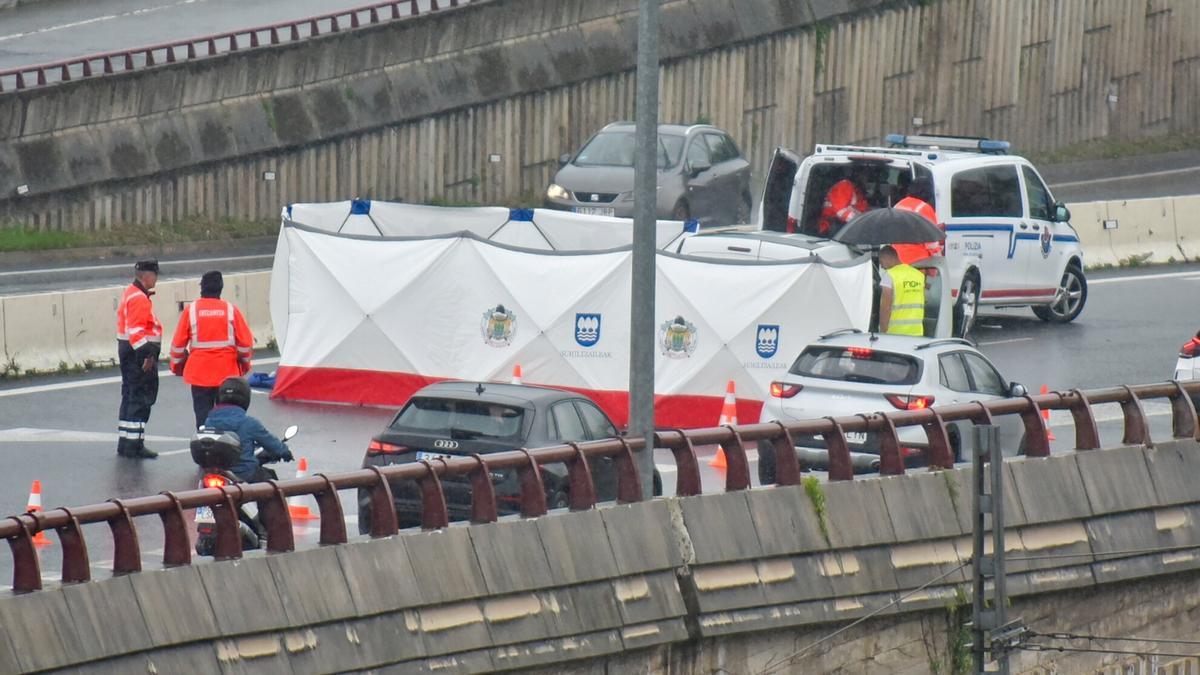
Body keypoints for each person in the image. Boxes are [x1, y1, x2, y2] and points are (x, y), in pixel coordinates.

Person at [169, 271, 255, 428]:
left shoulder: (191, 311)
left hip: (199, 376)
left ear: (202, 289)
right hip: (227, 375)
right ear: (220, 289)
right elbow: (245, 344)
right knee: (227, 418)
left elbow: (177, 346)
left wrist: (177, 368)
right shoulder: (230, 310)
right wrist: (243, 367)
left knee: (203, 419)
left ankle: (205, 446)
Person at [204, 377, 292, 483]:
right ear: (245, 398)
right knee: (272, 486)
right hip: (245, 474)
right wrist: (285, 452)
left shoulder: (209, 421)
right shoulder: (249, 423)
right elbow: (271, 443)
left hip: (218, 474)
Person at [116, 260, 163, 459]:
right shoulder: (139, 299)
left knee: (130, 396)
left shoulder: (131, 293)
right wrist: (147, 356)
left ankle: (126, 442)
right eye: (155, 274)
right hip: (138, 355)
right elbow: (137, 332)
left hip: (129, 353)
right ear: (146, 276)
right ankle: (134, 445)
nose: (157, 278)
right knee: (140, 398)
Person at [878, 245, 926, 336]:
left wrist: (883, 332)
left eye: (881, 262)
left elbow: (885, 309)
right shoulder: (918, 275)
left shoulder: (890, 276)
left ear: (887, 258)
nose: (882, 266)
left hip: (896, 334)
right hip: (917, 333)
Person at [894, 175, 941, 263]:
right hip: (917, 260)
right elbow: (931, 241)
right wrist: (938, 261)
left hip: (896, 259)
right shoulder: (924, 208)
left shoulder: (898, 205)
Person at [817, 166, 870, 236]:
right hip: (833, 227)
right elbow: (842, 212)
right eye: (865, 176)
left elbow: (861, 209)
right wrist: (861, 224)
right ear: (858, 175)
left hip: (846, 226)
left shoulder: (857, 190)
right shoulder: (844, 186)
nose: (867, 180)